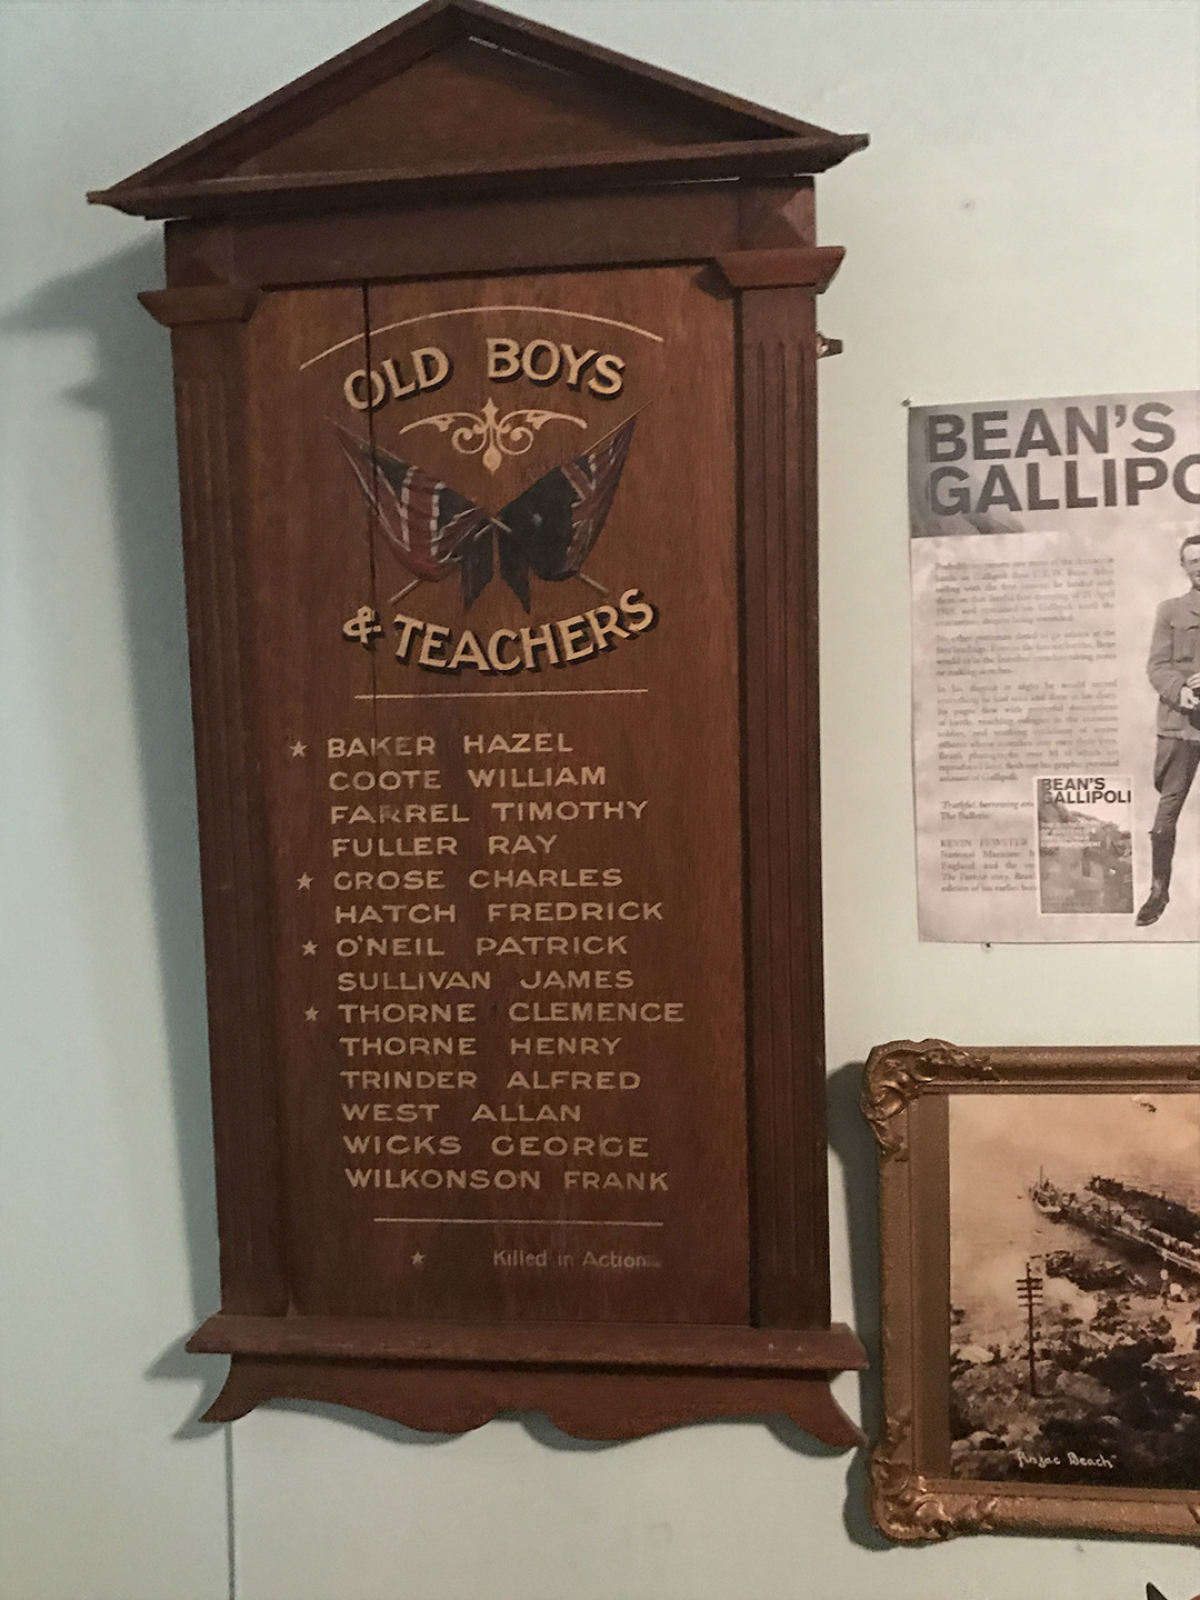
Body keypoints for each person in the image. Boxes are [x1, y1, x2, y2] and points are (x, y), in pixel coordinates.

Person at [1139, 534, 1200, 925]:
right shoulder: (1171, 610)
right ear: (1183, 567)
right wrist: (1182, 690)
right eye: (1192, 560)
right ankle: (1158, 892)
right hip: (1182, 726)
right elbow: (1157, 666)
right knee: (1165, 818)